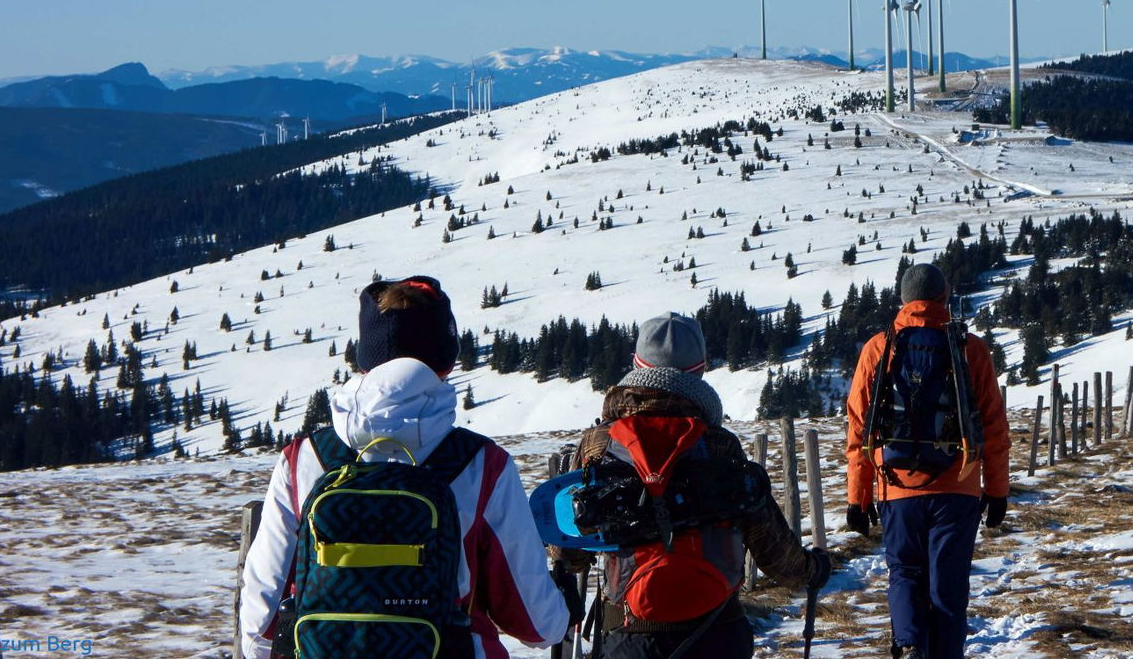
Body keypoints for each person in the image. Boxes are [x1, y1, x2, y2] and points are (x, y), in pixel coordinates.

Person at [238, 276, 571, 659]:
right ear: (445, 361)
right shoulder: (482, 464)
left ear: (366, 358)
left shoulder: (304, 459)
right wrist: (562, 607)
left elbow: (260, 626)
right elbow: (537, 624)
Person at [555, 311, 830, 658]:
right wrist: (814, 569)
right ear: (699, 370)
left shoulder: (598, 444)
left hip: (628, 634)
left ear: (637, 365)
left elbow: (569, 549)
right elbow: (772, 550)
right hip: (717, 632)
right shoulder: (719, 445)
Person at [845, 263, 1010, 659]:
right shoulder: (970, 348)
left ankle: (909, 645)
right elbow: (993, 424)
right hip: (959, 486)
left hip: (896, 486)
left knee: (904, 573)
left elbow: (858, 429)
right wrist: (998, 490)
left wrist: (858, 497)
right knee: (948, 584)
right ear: (945, 297)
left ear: (903, 300)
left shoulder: (879, 347)